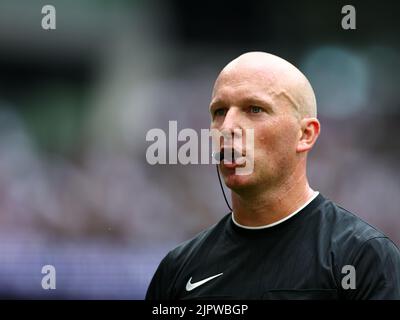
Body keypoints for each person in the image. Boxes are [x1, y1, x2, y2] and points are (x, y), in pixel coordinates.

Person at [145, 52, 400, 300]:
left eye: (254, 109)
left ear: (305, 135)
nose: (227, 127)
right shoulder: (178, 270)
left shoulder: (362, 258)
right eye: (220, 111)